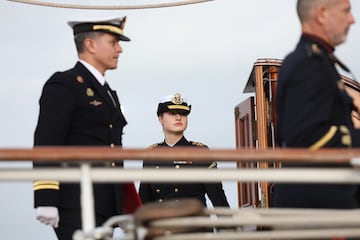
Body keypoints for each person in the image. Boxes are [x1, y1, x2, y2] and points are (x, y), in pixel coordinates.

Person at [33, 16, 140, 240]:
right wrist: (46, 196)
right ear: (90, 45)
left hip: (105, 201)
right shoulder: (65, 84)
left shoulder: (108, 92)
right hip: (75, 199)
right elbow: (47, 140)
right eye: (113, 42)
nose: (119, 49)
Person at [272, 0, 359, 209]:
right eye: (346, 11)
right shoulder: (308, 65)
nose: (352, 19)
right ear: (322, 15)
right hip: (316, 202)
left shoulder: (318, 61)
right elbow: (304, 137)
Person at [139, 93, 230, 208]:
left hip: (195, 224)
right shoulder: (151, 155)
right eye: (172, 113)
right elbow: (143, 202)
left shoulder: (200, 152)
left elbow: (218, 198)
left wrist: (229, 225)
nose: (178, 118)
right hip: (162, 224)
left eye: (183, 114)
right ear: (160, 119)